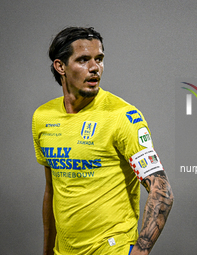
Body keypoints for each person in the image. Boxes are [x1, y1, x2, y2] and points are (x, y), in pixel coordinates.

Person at [32, 27, 174, 255]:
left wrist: (140, 251)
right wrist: (48, 251)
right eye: (83, 60)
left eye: (99, 59)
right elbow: (52, 190)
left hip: (111, 249)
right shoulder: (42, 117)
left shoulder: (123, 117)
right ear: (60, 67)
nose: (94, 67)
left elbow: (162, 189)